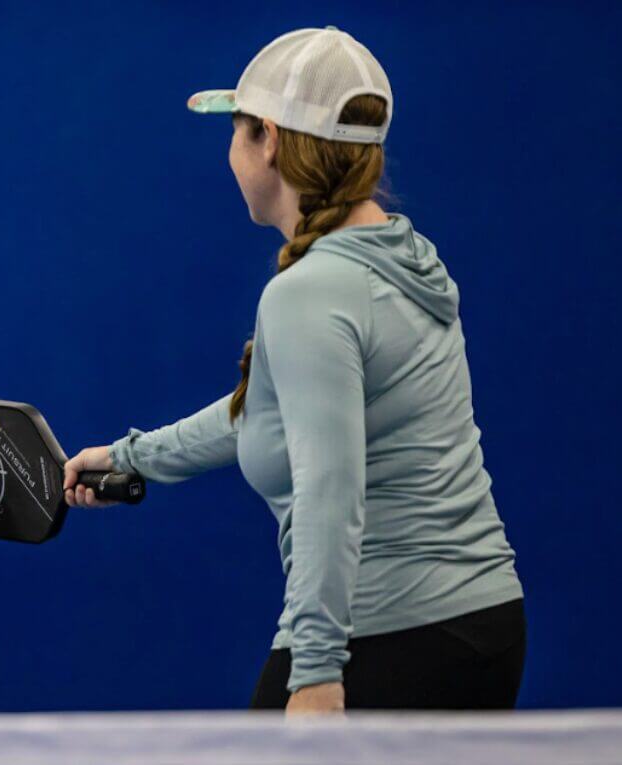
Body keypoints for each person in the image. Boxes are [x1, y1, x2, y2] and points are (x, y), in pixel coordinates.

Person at [63, 26, 524, 714]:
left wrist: (314, 671)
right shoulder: (404, 255)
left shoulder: (309, 292)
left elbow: (329, 489)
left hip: (391, 638)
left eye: (235, 129)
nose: (229, 152)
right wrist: (134, 456)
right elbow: (277, 412)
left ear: (269, 141)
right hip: (485, 626)